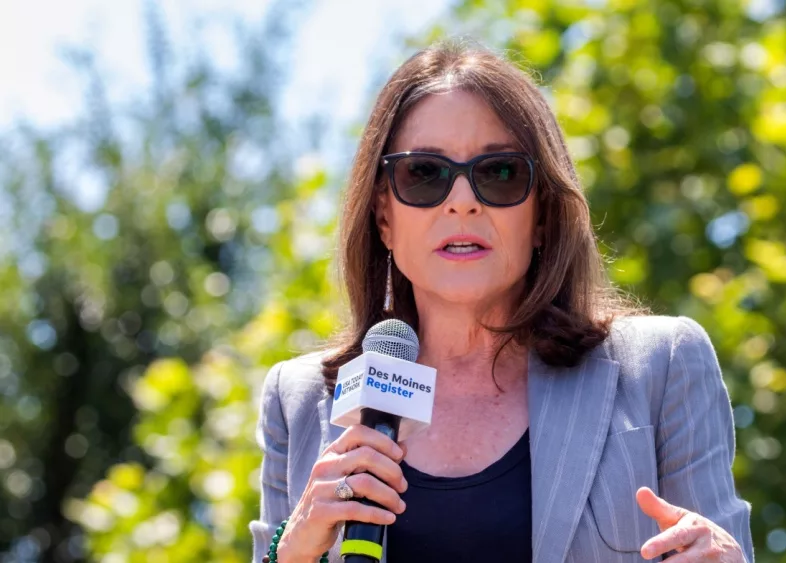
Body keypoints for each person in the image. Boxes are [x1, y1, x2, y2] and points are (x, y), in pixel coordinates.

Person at [249, 39, 754, 563]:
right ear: (383, 216)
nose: (462, 202)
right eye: (424, 174)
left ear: (542, 216)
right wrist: (291, 552)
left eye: (500, 173)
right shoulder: (301, 398)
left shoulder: (661, 366)